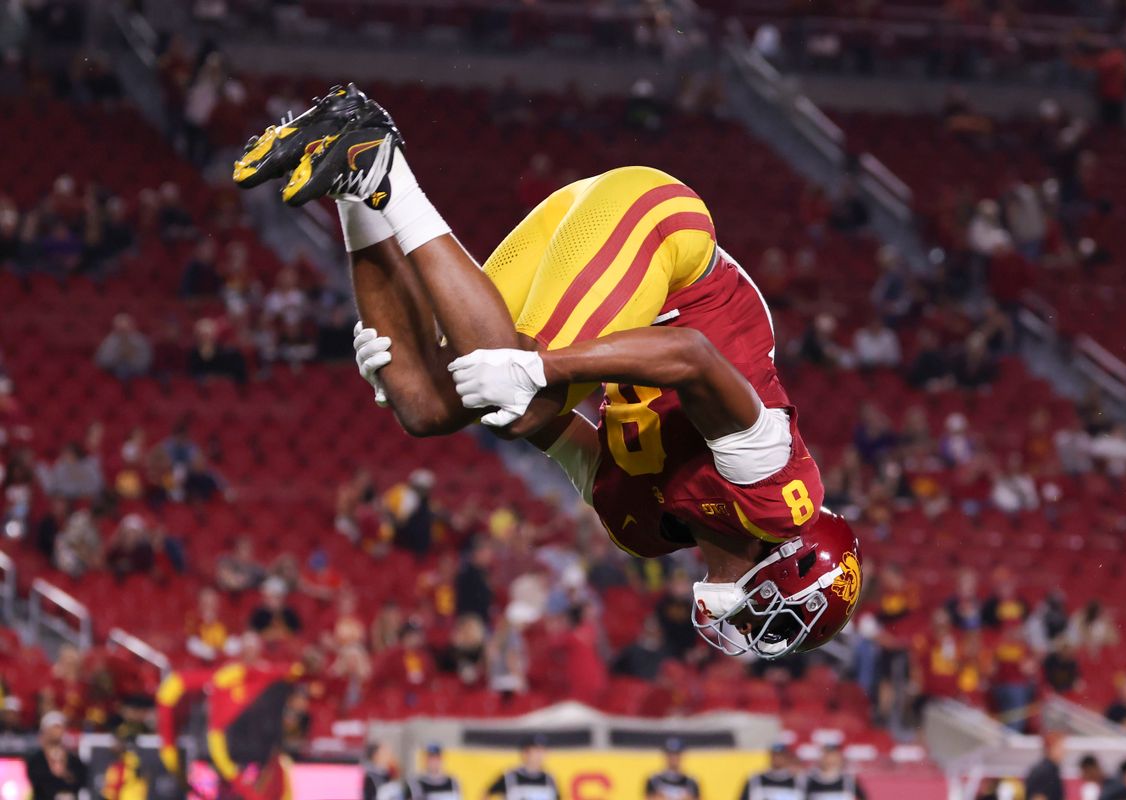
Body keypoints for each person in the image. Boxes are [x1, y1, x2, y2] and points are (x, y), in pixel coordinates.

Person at [234, 86, 861, 660]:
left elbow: (528, 425)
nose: (751, 630)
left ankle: (354, 185)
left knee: (427, 407)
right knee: (523, 391)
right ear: (793, 569)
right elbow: (691, 354)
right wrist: (539, 366)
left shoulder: (640, 529)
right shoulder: (777, 498)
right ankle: (381, 164)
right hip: (660, 233)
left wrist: (423, 363)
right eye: (773, 622)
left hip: (601, 247)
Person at [24, 711, 86, 800]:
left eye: (61, 727)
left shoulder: (73, 759)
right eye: (55, 727)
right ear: (45, 730)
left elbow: (81, 778)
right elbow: (36, 781)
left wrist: (66, 775)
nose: (58, 731)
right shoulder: (36, 760)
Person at [485, 735, 559, 799]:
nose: (540, 755)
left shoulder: (550, 779)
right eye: (537, 751)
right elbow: (487, 794)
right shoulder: (509, 777)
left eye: (543, 751)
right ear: (525, 753)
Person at [95, 313, 153, 380]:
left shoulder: (141, 340)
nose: (123, 331)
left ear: (132, 326)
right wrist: (118, 356)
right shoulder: (109, 340)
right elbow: (101, 361)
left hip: (138, 373)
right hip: (112, 373)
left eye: (126, 327)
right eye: (120, 328)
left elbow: (146, 363)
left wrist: (130, 357)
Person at [1024, 732, 1066, 800]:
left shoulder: (1051, 769)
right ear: (1050, 748)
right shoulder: (1046, 771)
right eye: (1060, 747)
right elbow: (1038, 797)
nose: (1064, 750)